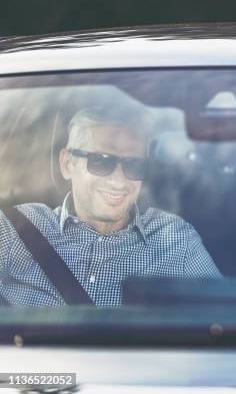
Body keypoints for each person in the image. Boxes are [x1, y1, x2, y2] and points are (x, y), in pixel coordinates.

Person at [0, 106, 221, 306]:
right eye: (101, 161)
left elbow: (223, 321)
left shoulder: (174, 240)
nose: (118, 181)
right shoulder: (14, 229)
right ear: (67, 165)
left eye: (134, 165)